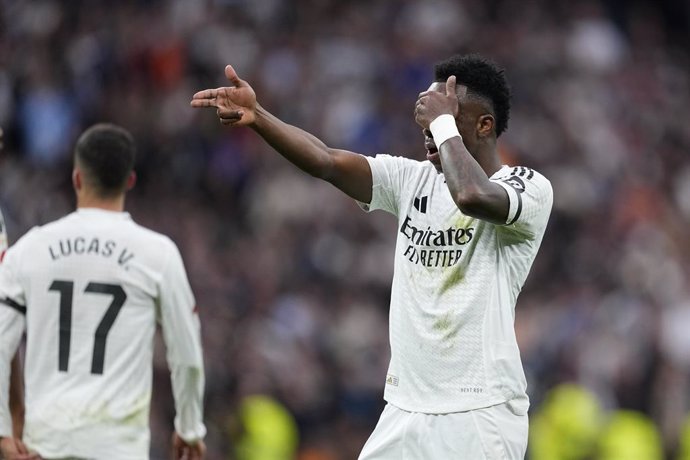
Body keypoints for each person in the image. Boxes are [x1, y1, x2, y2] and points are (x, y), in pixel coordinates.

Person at [192, 53, 552, 459]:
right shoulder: (411, 179)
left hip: (478, 411)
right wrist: (259, 117)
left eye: (446, 116)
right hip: (404, 409)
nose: (429, 132)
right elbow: (327, 160)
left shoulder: (526, 186)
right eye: (428, 121)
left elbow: (472, 195)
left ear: (484, 124)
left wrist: (442, 122)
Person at [0, 124, 207, 460]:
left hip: (45, 445)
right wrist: (189, 427)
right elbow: (186, 353)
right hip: (116, 447)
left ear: (77, 178)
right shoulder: (158, 254)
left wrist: (3, 433)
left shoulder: (31, 249)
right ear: (129, 181)